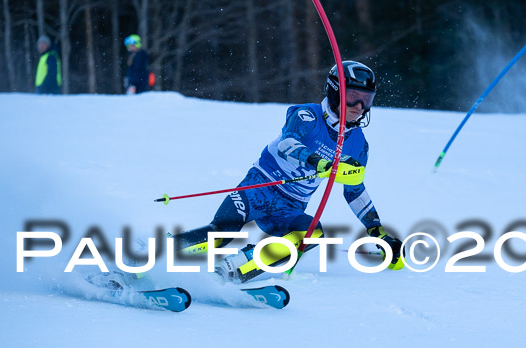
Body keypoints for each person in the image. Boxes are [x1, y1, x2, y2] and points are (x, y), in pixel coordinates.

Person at [171, 60, 405, 283]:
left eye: (367, 100)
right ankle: (157, 252)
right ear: (336, 92)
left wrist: (378, 232)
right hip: (261, 187)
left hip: (291, 206)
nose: (359, 107)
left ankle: (232, 271)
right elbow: (287, 144)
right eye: (353, 98)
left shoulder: (358, 144)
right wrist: (321, 164)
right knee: (222, 233)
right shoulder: (307, 115)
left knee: (312, 233)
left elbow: (354, 190)